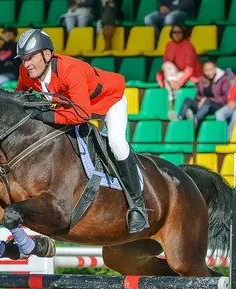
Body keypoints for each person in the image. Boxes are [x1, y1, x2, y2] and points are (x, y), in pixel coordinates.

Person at [14, 29, 148, 234]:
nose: (27, 64)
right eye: (23, 59)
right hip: (74, 107)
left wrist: (46, 116)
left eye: (31, 58)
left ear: (47, 55)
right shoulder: (27, 73)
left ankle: (138, 206)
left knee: (116, 143)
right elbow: (18, 97)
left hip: (108, 102)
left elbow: (82, 113)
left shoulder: (70, 69)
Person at [156, 24, 202, 112]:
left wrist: (179, 83)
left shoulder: (188, 46)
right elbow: (166, 63)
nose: (176, 34)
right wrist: (170, 80)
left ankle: (172, 108)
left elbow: (190, 68)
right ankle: (172, 109)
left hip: (187, 74)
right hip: (173, 74)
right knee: (167, 69)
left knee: (169, 82)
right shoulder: (169, 45)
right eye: (174, 32)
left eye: (179, 32)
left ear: (183, 33)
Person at [177, 60, 230, 129]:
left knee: (207, 102)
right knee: (187, 100)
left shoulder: (224, 79)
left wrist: (208, 99)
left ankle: (194, 120)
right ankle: (179, 119)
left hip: (216, 106)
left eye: (211, 70)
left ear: (215, 69)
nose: (209, 72)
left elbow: (225, 97)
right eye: (206, 70)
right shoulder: (201, 79)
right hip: (202, 106)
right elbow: (198, 95)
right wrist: (201, 100)